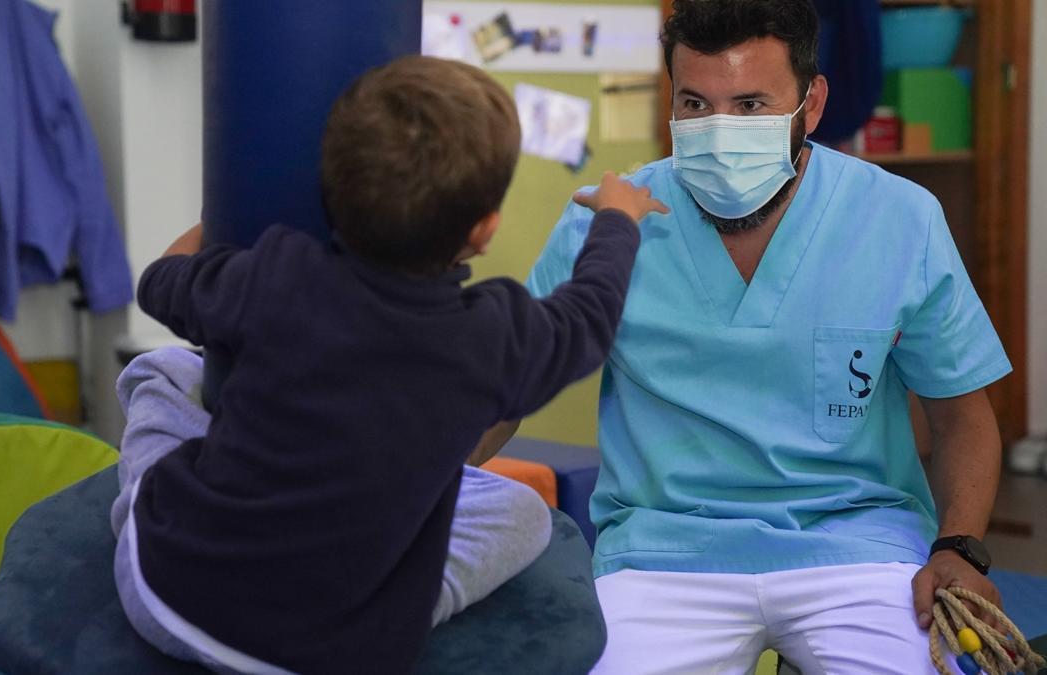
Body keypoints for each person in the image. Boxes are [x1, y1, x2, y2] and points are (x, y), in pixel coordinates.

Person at [109, 55, 668, 674]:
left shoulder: (274, 274)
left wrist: (233, 211)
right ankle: (406, 605)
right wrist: (619, 217)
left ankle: (134, 503)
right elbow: (589, 316)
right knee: (528, 513)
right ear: (484, 230)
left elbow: (160, 281)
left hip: (168, 599)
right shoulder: (493, 336)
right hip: (342, 653)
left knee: (162, 368)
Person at [497, 1, 1011, 672]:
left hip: (857, 544)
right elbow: (505, 387)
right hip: (665, 550)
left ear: (813, 102)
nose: (719, 129)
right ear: (672, 104)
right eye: (695, 103)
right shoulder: (608, 220)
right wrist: (407, 497)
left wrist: (959, 545)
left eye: (749, 105)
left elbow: (963, 419)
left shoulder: (898, 218)